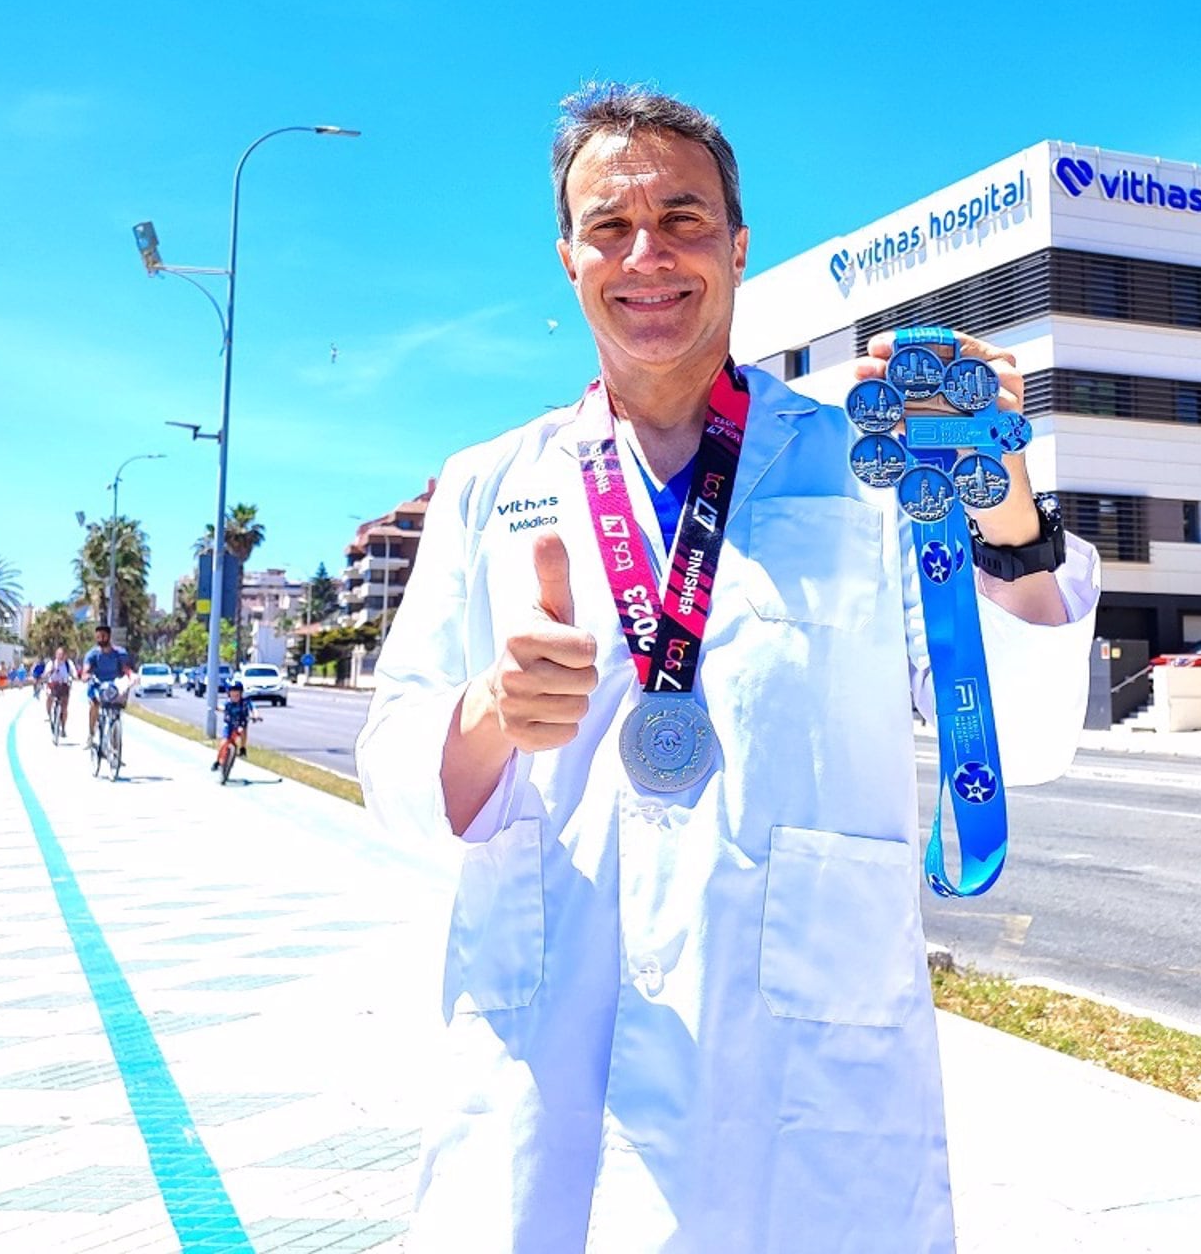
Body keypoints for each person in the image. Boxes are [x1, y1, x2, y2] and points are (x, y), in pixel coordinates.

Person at [357, 85, 1097, 1253]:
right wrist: (492, 712)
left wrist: (1000, 501)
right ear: (568, 259)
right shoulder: (492, 486)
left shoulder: (870, 475)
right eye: (609, 226)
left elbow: (1026, 739)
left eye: (683, 220)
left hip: (804, 1102)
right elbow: (396, 775)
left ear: (740, 246)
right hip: (550, 1081)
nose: (646, 256)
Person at [81, 625, 134, 752]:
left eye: (103, 636)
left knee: (117, 709)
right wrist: (86, 676)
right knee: (94, 705)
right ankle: (91, 734)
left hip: (114, 685)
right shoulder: (92, 654)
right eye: (98, 637)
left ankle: (115, 744)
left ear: (109, 637)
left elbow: (126, 669)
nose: (100, 639)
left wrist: (132, 676)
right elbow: (86, 670)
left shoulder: (120, 653)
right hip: (97, 684)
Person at [212, 679, 252, 772]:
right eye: (232, 693)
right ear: (229, 693)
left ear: (241, 693)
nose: (235, 695)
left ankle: (242, 748)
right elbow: (222, 707)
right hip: (229, 725)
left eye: (237, 693)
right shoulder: (228, 703)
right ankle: (217, 761)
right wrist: (218, 708)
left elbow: (253, 709)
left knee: (243, 730)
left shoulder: (245, 702)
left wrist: (255, 715)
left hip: (240, 724)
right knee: (224, 743)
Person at [45, 646, 77, 738]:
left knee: (64, 707)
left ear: (65, 655)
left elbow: (74, 672)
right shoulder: (52, 663)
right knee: (49, 697)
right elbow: (46, 673)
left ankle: (63, 728)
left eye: (62, 654)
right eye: (59, 654)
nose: (60, 656)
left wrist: (74, 676)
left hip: (64, 685)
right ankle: (50, 715)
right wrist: (49, 672)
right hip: (53, 685)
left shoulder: (68, 663)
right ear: (56, 655)